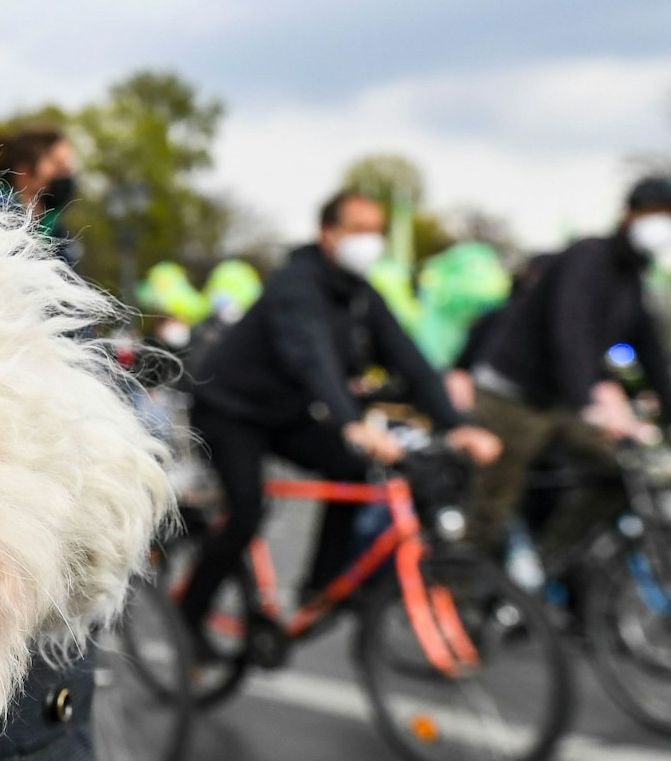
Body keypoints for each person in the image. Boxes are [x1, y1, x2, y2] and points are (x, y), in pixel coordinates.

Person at [179, 191, 500, 646]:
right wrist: (350, 423)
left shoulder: (360, 295)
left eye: (376, 231)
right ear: (327, 234)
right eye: (359, 230)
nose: (370, 241)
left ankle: (320, 588)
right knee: (246, 512)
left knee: (355, 471)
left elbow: (410, 360)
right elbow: (313, 359)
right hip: (231, 410)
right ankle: (187, 617)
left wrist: (457, 424)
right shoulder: (296, 284)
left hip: (285, 414)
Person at [464, 178, 671, 568]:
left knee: (622, 475)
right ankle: (458, 599)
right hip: (514, 399)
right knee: (493, 506)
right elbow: (570, 331)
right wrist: (588, 402)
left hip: (561, 403)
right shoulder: (589, 257)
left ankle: (545, 565)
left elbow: (651, 353)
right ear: (630, 214)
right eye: (656, 215)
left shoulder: (633, 278)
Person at [0, 128, 79, 245]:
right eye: (58, 165)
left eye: (67, 168)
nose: (65, 175)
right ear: (25, 167)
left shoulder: (55, 228)